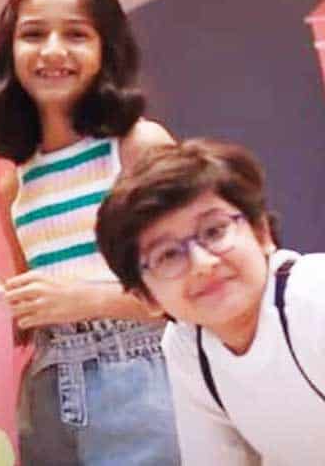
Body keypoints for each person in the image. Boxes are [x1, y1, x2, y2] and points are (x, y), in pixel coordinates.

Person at [0, 0, 179, 464]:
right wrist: (5, 309)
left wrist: (83, 299)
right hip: (43, 392)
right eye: (33, 34)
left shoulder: (138, 147)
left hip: (142, 380)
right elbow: (37, 316)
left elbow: (181, 292)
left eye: (76, 34)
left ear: (107, 49)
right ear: (9, 52)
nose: (53, 51)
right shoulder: (13, 187)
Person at [97, 139, 325, 465]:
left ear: (262, 233)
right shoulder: (188, 347)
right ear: (146, 297)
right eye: (168, 255)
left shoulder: (314, 297)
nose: (202, 264)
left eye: (215, 231)